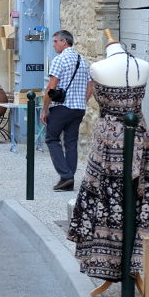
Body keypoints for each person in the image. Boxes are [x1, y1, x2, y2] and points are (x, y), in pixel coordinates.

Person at [67, 30, 149, 296]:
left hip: (108, 141)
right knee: (121, 200)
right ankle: (124, 266)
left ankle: (122, 264)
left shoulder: (102, 68)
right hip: (138, 136)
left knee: (109, 200)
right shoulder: (139, 66)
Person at [42, 30, 91, 191]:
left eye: (55, 41)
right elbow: (90, 86)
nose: (54, 44)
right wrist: (82, 101)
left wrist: (44, 109)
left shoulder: (59, 60)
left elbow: (51, 86)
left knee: (51, 138)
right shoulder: (82, 60)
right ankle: (68, 180)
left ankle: (66, 175)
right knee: (71, 143)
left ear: (64, 42)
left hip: (61, 108)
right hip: (78, 109)